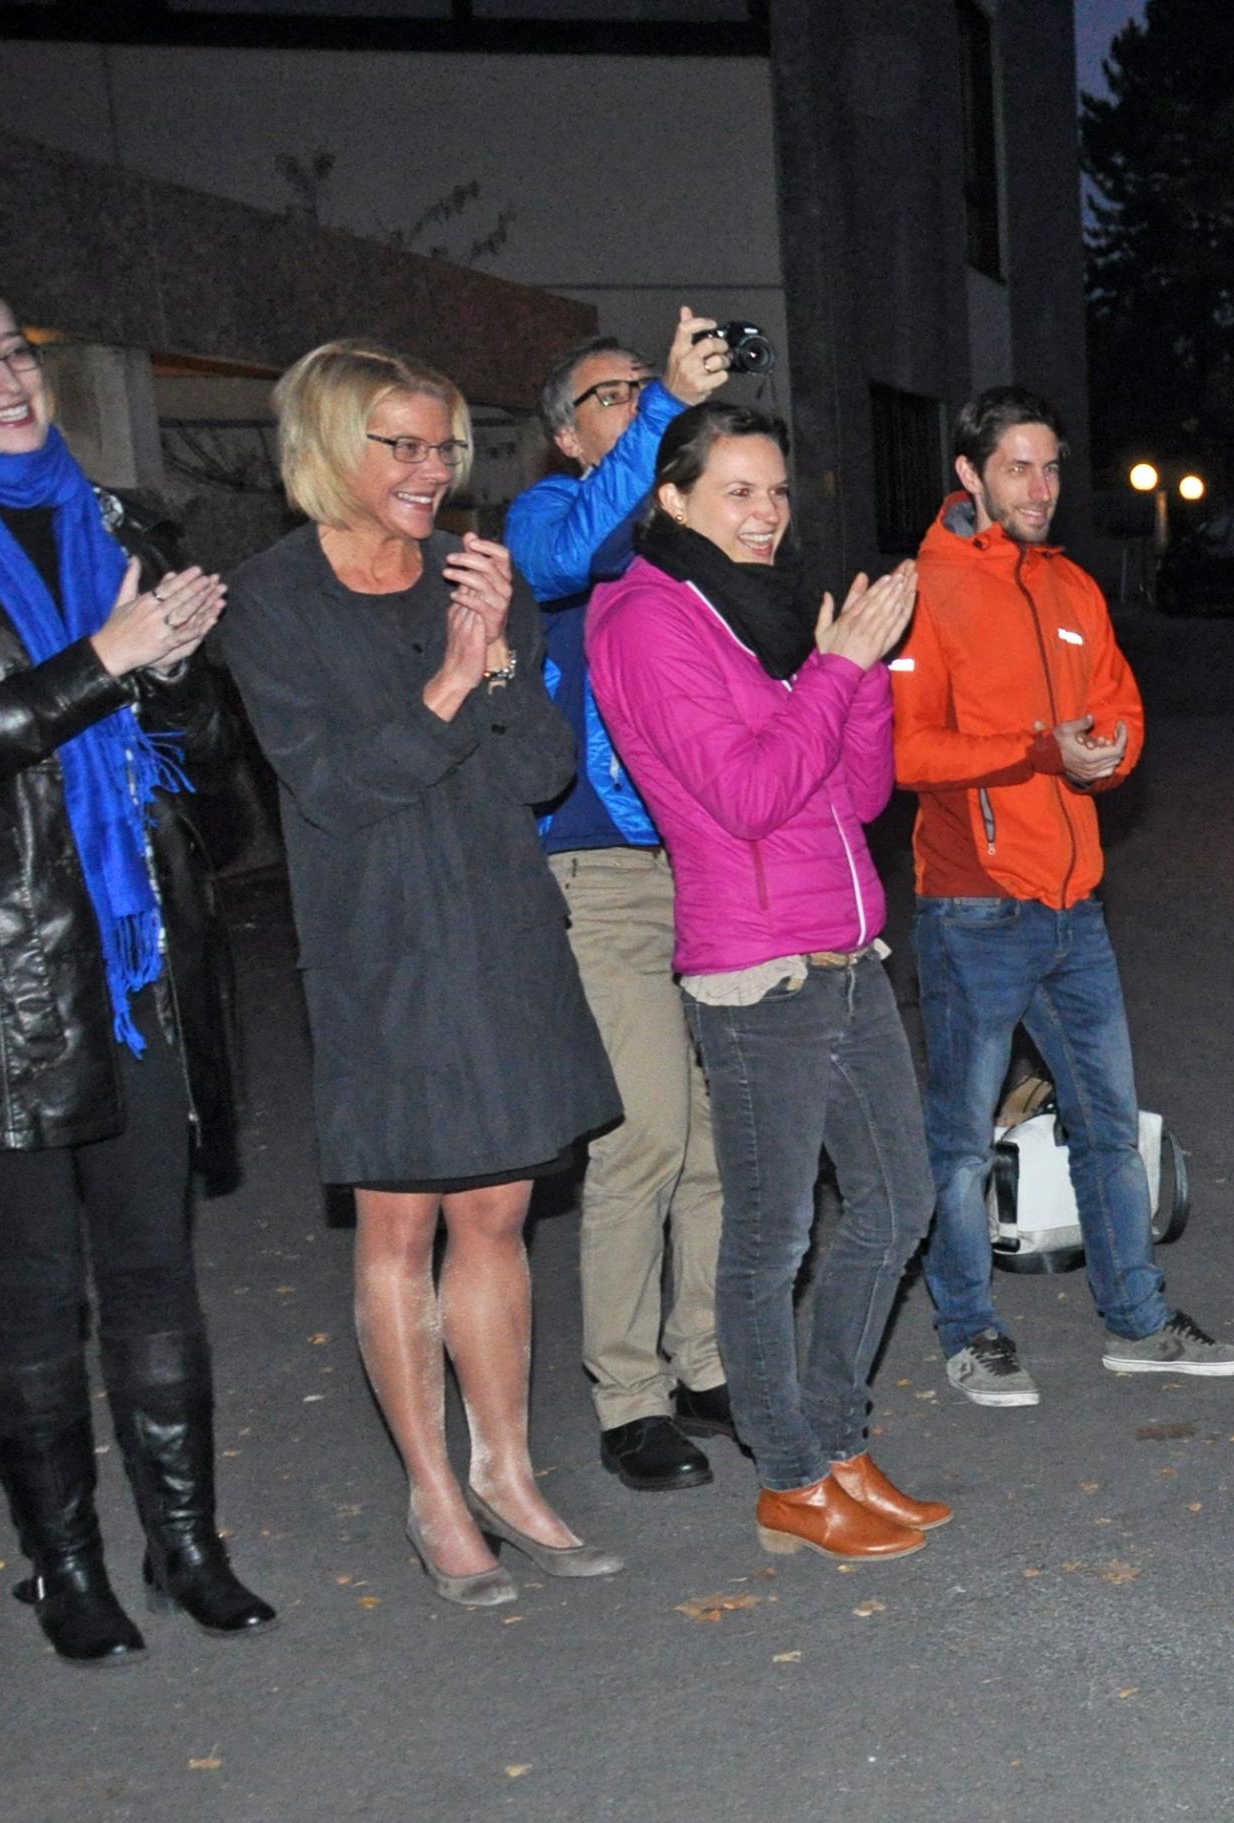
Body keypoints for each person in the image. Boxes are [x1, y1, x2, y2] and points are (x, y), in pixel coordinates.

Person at [222, 338, 624, 1610]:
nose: (431, 468)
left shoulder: (478, 575)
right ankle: (433, 1491)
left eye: (443, 444)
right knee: (399, 1223)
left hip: (498, 919)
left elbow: (541, 770)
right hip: (379, 939)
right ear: (326, 448)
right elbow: (337, 791)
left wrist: (495, 655)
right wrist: (449, 677)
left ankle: (507, 1467)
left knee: (497, 1210)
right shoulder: (272, 599)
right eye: (399, 444)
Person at [0, 273, 273, 1661]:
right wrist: (103, 659)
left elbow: (207, 760)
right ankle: (66, 1568)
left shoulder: (118, 521)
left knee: (154, 1268)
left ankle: (189, 1548)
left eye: (13, 352)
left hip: (135, 956)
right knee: (31, 1291)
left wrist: (171, 675)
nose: (4, 380)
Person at [586, 401, 945, 1562]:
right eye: (737, 490)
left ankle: (834, 1437)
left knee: (899, 1202)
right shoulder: (646, 618)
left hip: (846, 947)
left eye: (777, 491)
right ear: (673, 497)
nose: (766, 513)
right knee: (770, 1237)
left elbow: (859, 793)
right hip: (756, 968)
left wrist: (861, 674)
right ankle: (789, 1475)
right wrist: (834, 670)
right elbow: (746, 795)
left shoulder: (764, 613)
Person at [895, 383, 1234, 1399]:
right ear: (969, 474)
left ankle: (1137, 1322)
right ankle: (970, 1330)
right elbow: (906, 751)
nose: (1040, 487)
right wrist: (1035, 750)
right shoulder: (927, 588)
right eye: (1018, 467)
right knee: (960, 1145)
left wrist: (1108, 754)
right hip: (974, 903)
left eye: (1051, 467)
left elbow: (1119, 708)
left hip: (1073, 905)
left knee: (1108, 1126)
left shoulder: (1071, 588)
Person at [512, 312, 742, 1490]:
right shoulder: (547, 516)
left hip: (701, 865)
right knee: (644, 1135)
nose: (642, 401)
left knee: (712, 1140)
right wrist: (666, 415)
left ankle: (703, 1360)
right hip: (597, 869)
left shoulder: (678, 530)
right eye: (614, 395)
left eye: (649, 388)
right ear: (565, 433)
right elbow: (564, 564)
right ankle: (628, 1394)